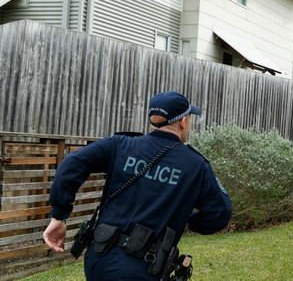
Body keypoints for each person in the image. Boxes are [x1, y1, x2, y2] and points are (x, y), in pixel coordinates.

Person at [42, 91, 232, 281]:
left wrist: (59, 216)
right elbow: (220, 213)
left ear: (153, 119)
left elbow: (72, 163)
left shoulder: (120, 145)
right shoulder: (195, 165)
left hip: (99, 260)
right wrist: (188, 219)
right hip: (145, 268)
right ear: (183, 121)